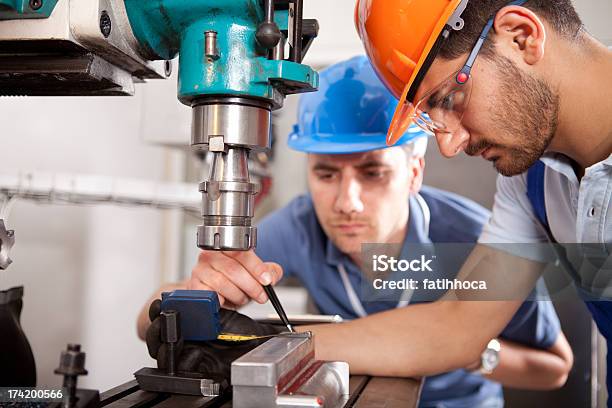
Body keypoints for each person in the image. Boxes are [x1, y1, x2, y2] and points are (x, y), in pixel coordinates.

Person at [138, 56, 572, 407]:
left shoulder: (476, 239)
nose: (347, 202)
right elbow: (146, 319)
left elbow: (555, 367)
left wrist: (467, 347)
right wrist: (184, 303)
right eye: (326, 175)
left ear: (414, 172)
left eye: (372, 173)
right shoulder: (302, 225)